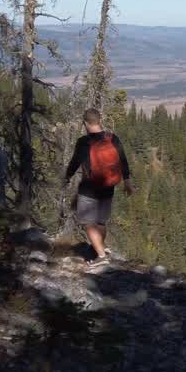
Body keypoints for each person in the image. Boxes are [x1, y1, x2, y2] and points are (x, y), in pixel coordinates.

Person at [63, 108, 133, 268]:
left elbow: (74, 163)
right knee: (101, 222)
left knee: (88, 223)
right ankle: (99, 248)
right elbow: (123, 160)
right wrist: (127, 181)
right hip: (109, 185)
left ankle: (101, 256)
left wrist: (67, 177)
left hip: (90, 187)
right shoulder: (112, 138)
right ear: (100, 120)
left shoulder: (84, 142)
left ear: (86, 123)